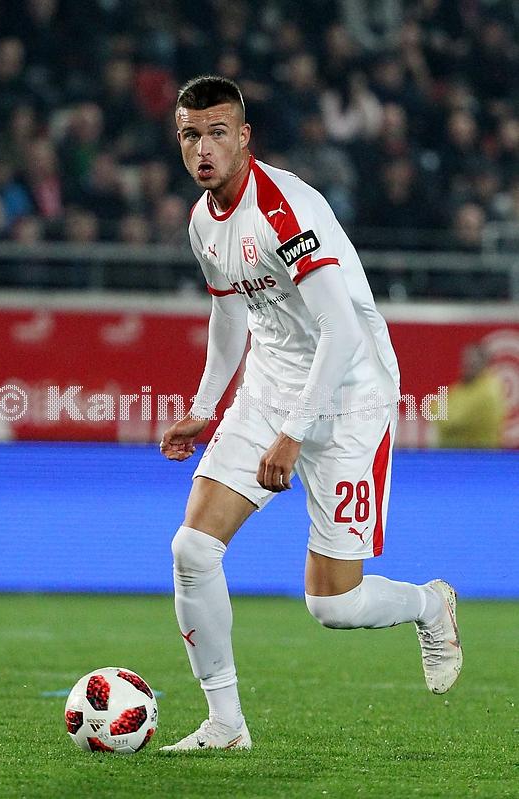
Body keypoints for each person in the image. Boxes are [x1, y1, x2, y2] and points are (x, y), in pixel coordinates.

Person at [159, 76, 462, 752]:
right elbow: (229, 315)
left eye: (216, 133)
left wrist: (295, 433)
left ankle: (429, 603)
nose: (203, 149)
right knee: (192, 549)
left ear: (244, 137)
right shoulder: (203, 220)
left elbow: (341, 329)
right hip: (270, 388)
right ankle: (226, 723)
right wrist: (204, 407)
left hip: (350, 397)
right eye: (190, 135)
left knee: (333, 603)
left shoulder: (284, 209)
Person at [434, 344, 506, 448]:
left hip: (478, 455)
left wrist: (437, 409)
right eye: (465, 362)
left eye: (472, 363)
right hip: (454, 454)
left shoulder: (488, 392)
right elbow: (437, 406)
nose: (466, 366)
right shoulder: (463, 387)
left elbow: (450, 421)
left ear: (484, 364)